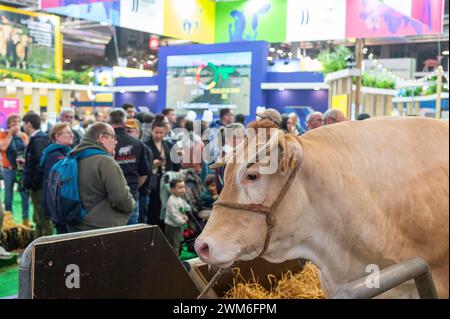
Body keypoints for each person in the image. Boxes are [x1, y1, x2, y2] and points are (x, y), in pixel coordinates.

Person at [67, 122, 135, 232]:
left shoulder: (74, 156)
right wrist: (132, 204)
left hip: (74, 224)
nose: (116, 141)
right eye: (113, 137)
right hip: (101, 228)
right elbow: (121, 198)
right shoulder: (105, 161)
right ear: (102, 138)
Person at [109, 109, 148, 225]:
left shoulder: (105, 143)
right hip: (132, 195)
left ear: (109, 121)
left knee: (113, 236)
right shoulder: (137, 143)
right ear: (125, 122)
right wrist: (133, 188)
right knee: (131, 235)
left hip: (111, 198)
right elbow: (144, 172)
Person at [144, 116, 180, 230]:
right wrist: (153, 166)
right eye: (156, 132)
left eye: (161, 132)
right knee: (153, 211)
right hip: (153, 186)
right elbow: (142, 167)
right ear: (151, 131)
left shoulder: (168, 145)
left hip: (167, 184)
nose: (159, 135)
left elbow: (175, 166)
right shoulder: (145, 145)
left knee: (166, 211)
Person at [22, 112, 52, 238]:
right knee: (38, 218)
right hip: (39, 185)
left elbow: (41, 164)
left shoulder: (38, 140)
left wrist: (33, 183)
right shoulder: (39, 138)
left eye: (24, 123)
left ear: (28, 124)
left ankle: (46, 250)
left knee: (43, 219)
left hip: (39, 187)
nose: (23, 126)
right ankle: (37, 249)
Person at [40, 123, 73, 234]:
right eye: (68, 132)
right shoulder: (55, 156)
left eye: (71, 132)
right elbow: (54, 184)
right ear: (57, 136)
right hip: (60, 204)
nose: (72, 135)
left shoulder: (65, 152)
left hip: (63, 201)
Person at [0, 114, 30, 226]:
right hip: (8, 170)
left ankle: (25, 221)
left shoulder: (23, 136)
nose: (16, 124)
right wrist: (11, 135)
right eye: (14, 122)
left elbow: (28, 150)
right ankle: (9, 222)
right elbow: (2, 147)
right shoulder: (3, 134)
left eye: (18, 122)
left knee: (25, 196)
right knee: (8, 197)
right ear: (8, 124)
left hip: (21, 169)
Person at [125, 119, 153, 224]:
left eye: (129, 131)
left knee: (139, 225)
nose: (126, 134)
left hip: (141, 194)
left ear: (138, 132)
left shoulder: (143, 148)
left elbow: (145, 174)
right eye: (125, 131)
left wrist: (133, 188)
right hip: (128, 195)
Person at [165, 178, 191, 256]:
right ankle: (174, 260)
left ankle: (176, 256)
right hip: (173, 227)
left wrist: (184, 216)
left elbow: (180, 210)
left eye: (183, 187)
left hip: (178, 226)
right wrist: (181, 221)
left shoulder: (178, 198)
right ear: (172, 190)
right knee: (174, 244)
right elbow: (174, 214)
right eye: (180, 188)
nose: (183, 190)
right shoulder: (172, 201)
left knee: (178, 242)